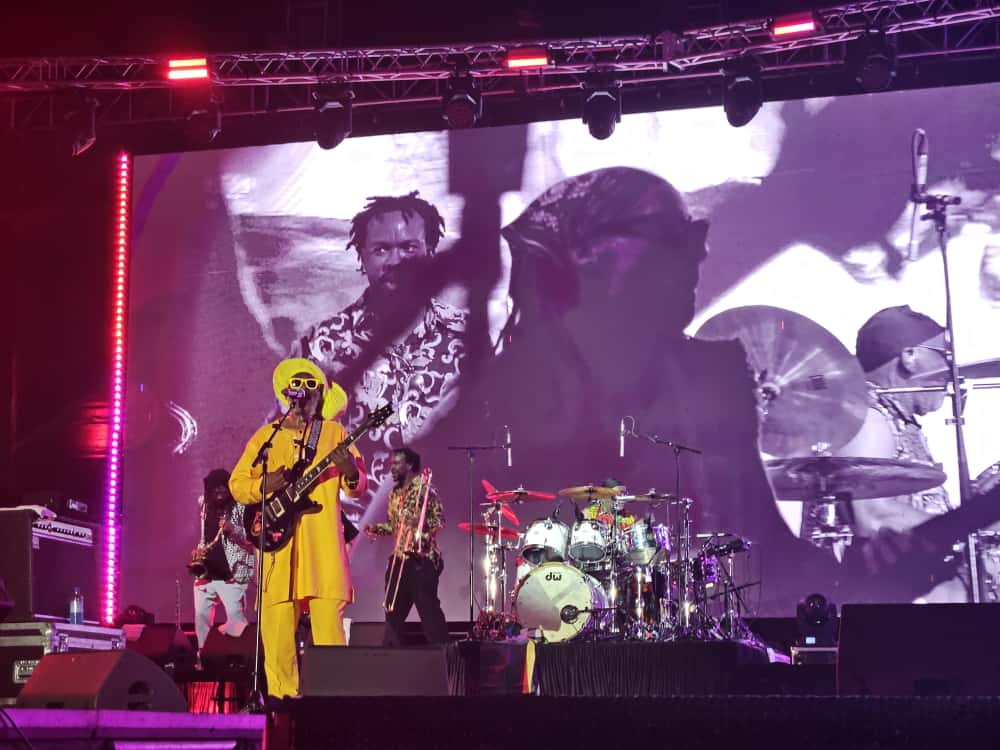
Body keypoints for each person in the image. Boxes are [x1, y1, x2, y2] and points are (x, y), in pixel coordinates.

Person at [291, 193, 467, 497]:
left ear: (431, 251)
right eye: (382, 249)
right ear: (362, 257)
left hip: (441, 514)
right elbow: (289, 442)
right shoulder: (323, 343)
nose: (396, 260)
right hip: (349, 519)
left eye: (409, 247)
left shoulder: (466, 337)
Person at [229, 357, 367, 699]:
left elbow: (358, 486)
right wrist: (264, 485)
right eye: (297, 384)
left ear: (320, 395)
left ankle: (334, 710)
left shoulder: (334, 433)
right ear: (286, 392)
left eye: (311, 386)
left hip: (322, 552)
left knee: (330, 637)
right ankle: (282, 709)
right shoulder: (266, 436)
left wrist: (350, 471)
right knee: (277, 642)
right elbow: (237, 484)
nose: (304, 392)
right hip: (278, 551)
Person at [834, 306, 952, 539]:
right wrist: (964, 530)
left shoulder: (892, 417)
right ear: (910, 356)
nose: (951, 369)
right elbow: (874, 517)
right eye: (946, 356)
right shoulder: (869, 416)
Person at [363, 447, 448, 646]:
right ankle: (392, 657)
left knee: (429, 614)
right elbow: (395, 526)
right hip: (399, 559)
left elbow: (439, 521)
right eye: (391, 464)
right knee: (392, 616)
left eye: (396, 463)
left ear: (409, 465)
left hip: (422, 560)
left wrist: (421, 526)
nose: (392, 468)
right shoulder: (394, 494)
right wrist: (376, 528)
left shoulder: (425, 489)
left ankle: (443, 655)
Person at [190, 469, 256, 657]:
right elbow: (205, 536)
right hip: (206, 572)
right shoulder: (204, 505)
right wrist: (198, 552)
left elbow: (252, 536)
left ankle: (240, 657)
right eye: (215, 487)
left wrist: (232, 529)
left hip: (230, 574)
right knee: (201, 618)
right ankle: (203, 657)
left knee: (236, 620)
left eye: (223, 487)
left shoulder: (240, 506)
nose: (219, 490)